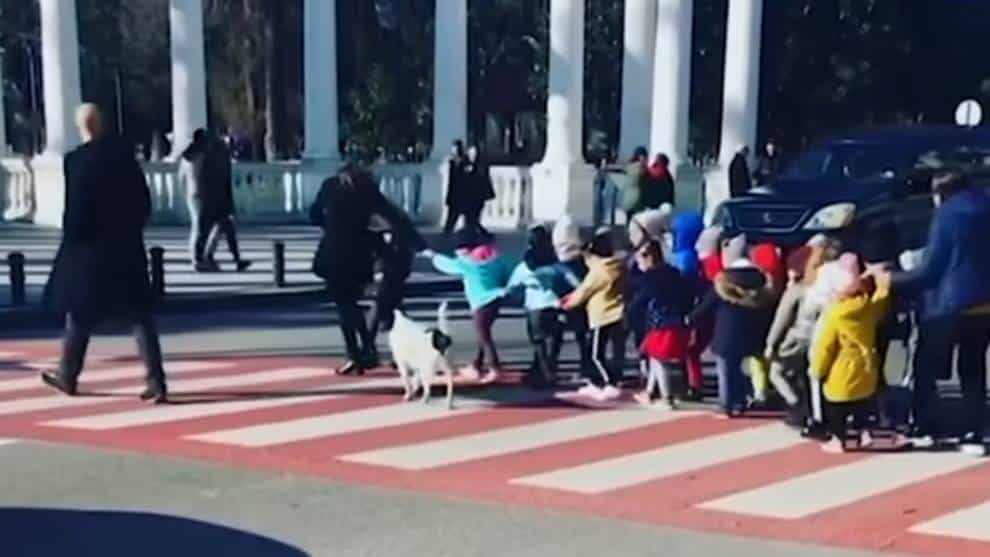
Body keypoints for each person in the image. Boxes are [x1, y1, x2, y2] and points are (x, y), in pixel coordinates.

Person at [41, 104, 167, 403]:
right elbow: (144, 203)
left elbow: (75, 212)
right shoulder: (125, 157)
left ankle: (68, 375)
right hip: (126, 248)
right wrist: (130, 229)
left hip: (90, 251)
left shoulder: (76, 161)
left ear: (82, 128)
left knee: (79, 314)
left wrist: (72, 244)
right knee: (139, 316)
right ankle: (157, 381)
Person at [873, 172, 990, 456]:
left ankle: (925, 427)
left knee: (927, 366)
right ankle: (975, 432)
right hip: (984, 303)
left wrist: (890, 279)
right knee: (973, 367)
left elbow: (930, 271)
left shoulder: (947, 216)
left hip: (947, 305)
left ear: (940, 193)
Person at [310, 165, 420, 376]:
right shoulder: (367, 190)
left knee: (346, 306)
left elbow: (314, 215)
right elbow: (393, 217)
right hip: (360, 255)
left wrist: (333, 227)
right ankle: (365, 350)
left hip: (336, 253)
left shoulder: (331, 186)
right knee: (352, 305)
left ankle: (358, 353)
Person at [811, 254, 892, 453]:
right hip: (865, 366)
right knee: (862, 404)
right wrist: (883, 281)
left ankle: (838, 440)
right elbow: (881, 300)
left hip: (841, 369)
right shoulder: (868, 308)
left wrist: (817, 369)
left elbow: (825, 346)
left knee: (836, 409)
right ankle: (865, 434)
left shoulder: (836, 315)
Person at [688, 235, 775, 417]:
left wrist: (690, 320)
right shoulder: (761, 280)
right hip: (753, 332)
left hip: (728, 333)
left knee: (727, 370)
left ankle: (727, 404)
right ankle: (742, 400)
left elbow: (706, 307)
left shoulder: (724, 281)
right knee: (744, 369)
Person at [428, 227, 511, 384]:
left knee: (484, 337)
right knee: (483, 333)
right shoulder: (495, 257)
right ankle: (476, 365)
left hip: (480, 303)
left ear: (465, 249)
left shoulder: (467, 263)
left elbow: (446, 265)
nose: (456, 253)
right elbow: (505, 273)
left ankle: (495, 368)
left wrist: (433, 256)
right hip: (497, 298)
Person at [562, 228, 626, 402]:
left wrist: (568, 303)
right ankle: (597, 382)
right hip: (618, 313)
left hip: (602, 315)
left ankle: (610, 383)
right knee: (611, 351)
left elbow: (585, 290)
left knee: (595, 354)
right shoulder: (618, 266)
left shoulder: (599, 271)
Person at [628, 239, 693, 409]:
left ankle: (667, 398)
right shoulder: (675, 273)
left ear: (648, 257)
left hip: (660, 323)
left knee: (659, 360)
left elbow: (640, 301)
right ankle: (649, 392)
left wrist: (628, 315)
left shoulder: (649, 278)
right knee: (655, 357)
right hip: (679, 321)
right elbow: (687, 296)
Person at [506, 225, 572, 388]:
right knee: (555, 339)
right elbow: (574, 281)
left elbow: (512, 286)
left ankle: (545, 374)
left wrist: (515, 296)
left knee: (538, 342)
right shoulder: (556, 264)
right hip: (556, 305)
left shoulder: (525, 266)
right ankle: (549, 367)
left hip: (534, 307)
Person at [366, 212, 427, 357]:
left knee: (385, 306)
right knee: (389, 306)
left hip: (391, 270)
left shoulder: (387, 221)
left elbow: (418, 244)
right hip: (389, 270)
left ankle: (368, 346)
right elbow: (419, 244)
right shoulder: (391, 220)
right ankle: (370, 345)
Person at [202, 133, 251, 272]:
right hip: (219, 202)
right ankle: (210, 257)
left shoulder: (214, 157)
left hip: (215, 200)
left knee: (223, 231)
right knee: (224, 232)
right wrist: (230, 205)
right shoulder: (221, 159)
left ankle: (230, 258)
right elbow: (224, 184)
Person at [552, 216, 592, 374]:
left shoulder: (558, 262)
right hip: (579, 300)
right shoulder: (582, 260)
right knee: (581, 334)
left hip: (562, 299)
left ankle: (550, 365)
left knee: (556, 334)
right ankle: (586, 365)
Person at [179, 128, 212, 270]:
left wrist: (185, 192)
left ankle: (196, 255)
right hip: (201, 193)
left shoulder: (186, 158)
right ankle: (197, 258)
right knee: (199, 227)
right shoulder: (202, 156)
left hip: (191, 194)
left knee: (196, 225)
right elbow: (205, 176)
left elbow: (181, 178)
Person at [460, 145, 495, 236]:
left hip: (478, 194)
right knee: (469, 214)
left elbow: (485, 179)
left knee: (476, 213)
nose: (473, 155)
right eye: (471, 153)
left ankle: (474, 229)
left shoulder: (481, 164)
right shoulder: (464, 164)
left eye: (474, 153)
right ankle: (471, 228)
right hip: (469, 194)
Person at [442, 140, 468, 235]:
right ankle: (448, 231)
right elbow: (451, 181)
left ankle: (448, 231)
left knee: (468, 218)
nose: (453, 150)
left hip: (462, 193)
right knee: (453, 216)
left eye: (455, 148)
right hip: (455, 194)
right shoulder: (452, 162)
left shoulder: (465, 162)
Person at [620, 147, 651, 219]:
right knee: (637, 222)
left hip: (626, 199)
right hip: (638, 200)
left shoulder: (629, 166)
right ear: (641, 156)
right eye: (646, 156)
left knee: (629, 221)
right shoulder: (642, 167)